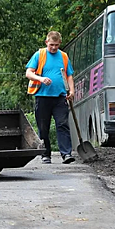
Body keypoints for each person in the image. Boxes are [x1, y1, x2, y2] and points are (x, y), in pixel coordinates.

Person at [25, 31, 75, 164]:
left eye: (56, 45)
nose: (54, 48)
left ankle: (66, 154)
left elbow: (69, 75)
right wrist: (40, 79)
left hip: (60, 97)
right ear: (46, 42)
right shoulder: (39, 55)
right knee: (43, 127)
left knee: (62, 124)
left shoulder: (63, 56)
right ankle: (45, 154)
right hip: (42, 97)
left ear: (60, 44)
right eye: (52, 45)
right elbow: (29, 73)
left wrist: (72, 90)